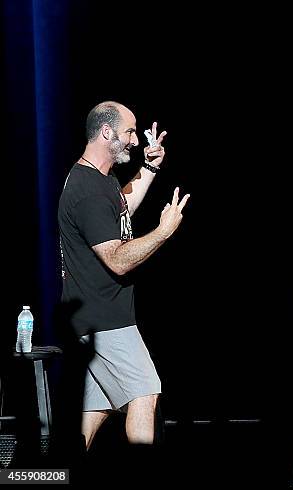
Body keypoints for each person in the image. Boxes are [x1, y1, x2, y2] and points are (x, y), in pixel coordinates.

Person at [58, 101, 190, 451]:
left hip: (92, 320)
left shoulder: (100, 179)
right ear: (106, 132)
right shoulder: (85, 190)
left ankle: (55, 473)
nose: (134, 140)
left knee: (91, 415)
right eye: (129, 132)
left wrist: (149, 167)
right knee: (146, 390)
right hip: (105, 321)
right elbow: (117, 260)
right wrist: (163, 232)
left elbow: (119, 212)